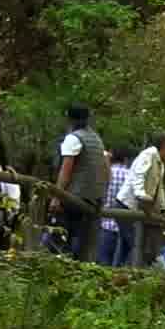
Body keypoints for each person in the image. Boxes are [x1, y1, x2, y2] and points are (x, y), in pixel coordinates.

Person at [102, 131, 165, 266]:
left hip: (134, 206)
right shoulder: (148, 154)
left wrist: (163, 209)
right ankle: (129, 273)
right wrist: (141, 195)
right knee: (136, 242)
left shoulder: (160, 165)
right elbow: (138, 175)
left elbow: (159, 189)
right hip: (126, 204)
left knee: (127, 244)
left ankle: (118, 272)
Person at [50, 104, 109, 260]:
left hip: (75, 198)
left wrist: (57, 196)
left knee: (60, 239)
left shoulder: (73, 138)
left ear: (70, 119)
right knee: (82, 243)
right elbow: (106, 169)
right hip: (94, 199)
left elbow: (66, 170)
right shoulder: (97, 139)